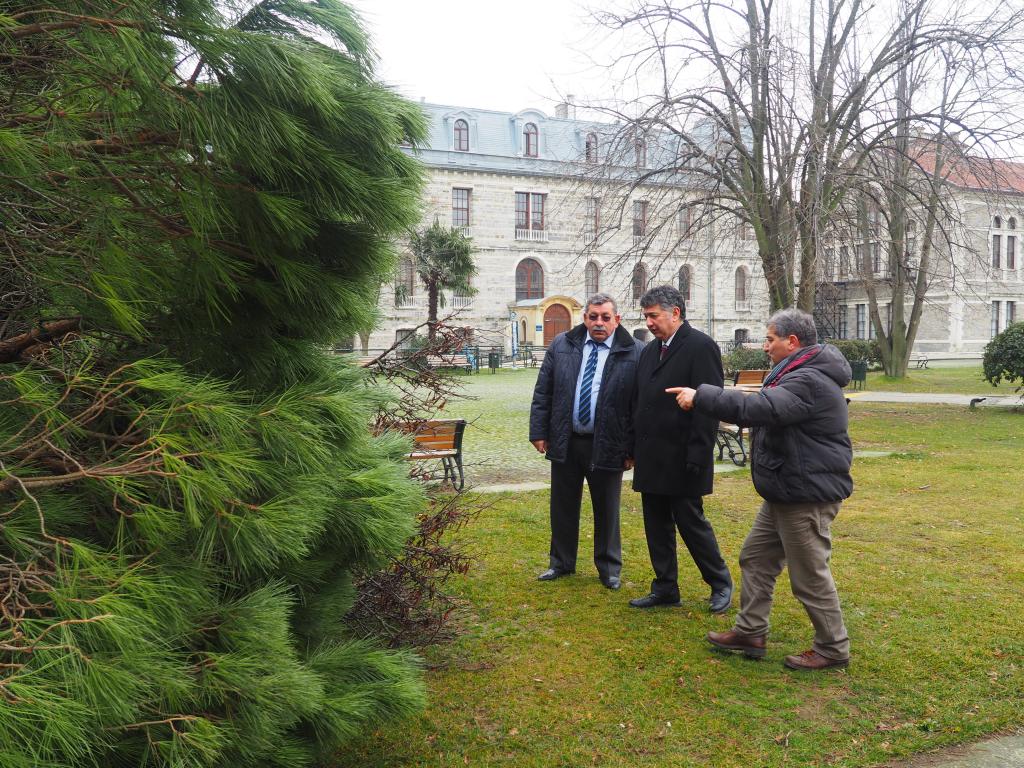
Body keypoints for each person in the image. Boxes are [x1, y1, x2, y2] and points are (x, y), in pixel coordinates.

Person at [669, 308, 853, 671]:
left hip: (806, 495)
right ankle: (750, 632)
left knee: (809, 575)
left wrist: (702, 395)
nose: (765, 347)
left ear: (792, 342)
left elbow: (763, 407)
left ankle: (833, 647)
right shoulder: (796, 371)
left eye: (770, 340)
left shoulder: (809, 380)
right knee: (756, 558)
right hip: (786, 489)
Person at [529, 294, 644, 589]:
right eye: (593, 317)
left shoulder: (635, 351)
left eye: (605, 317)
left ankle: (609, 568)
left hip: (609, 443)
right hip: (566, 440)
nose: (599, 323)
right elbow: (544, 391)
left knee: (607, 508)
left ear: (617, 320)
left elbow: (639, 406)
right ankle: (561, 562)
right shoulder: (563, 344)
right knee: (562, 506)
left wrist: (632, 449)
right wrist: (539, 432)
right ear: (585, 318)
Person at [629, 285, 733, 612]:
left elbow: (710, 404)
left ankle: (720, 583)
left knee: (691, 524)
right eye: (646, 316)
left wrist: (699, 454)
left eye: (653, 316)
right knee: (656, 525)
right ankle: (665, 587)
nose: (648, 322)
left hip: (683, 456)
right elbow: (640, 401)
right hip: (651, 455)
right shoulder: (650, 350)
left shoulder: (701, 346)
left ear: (675, 313)